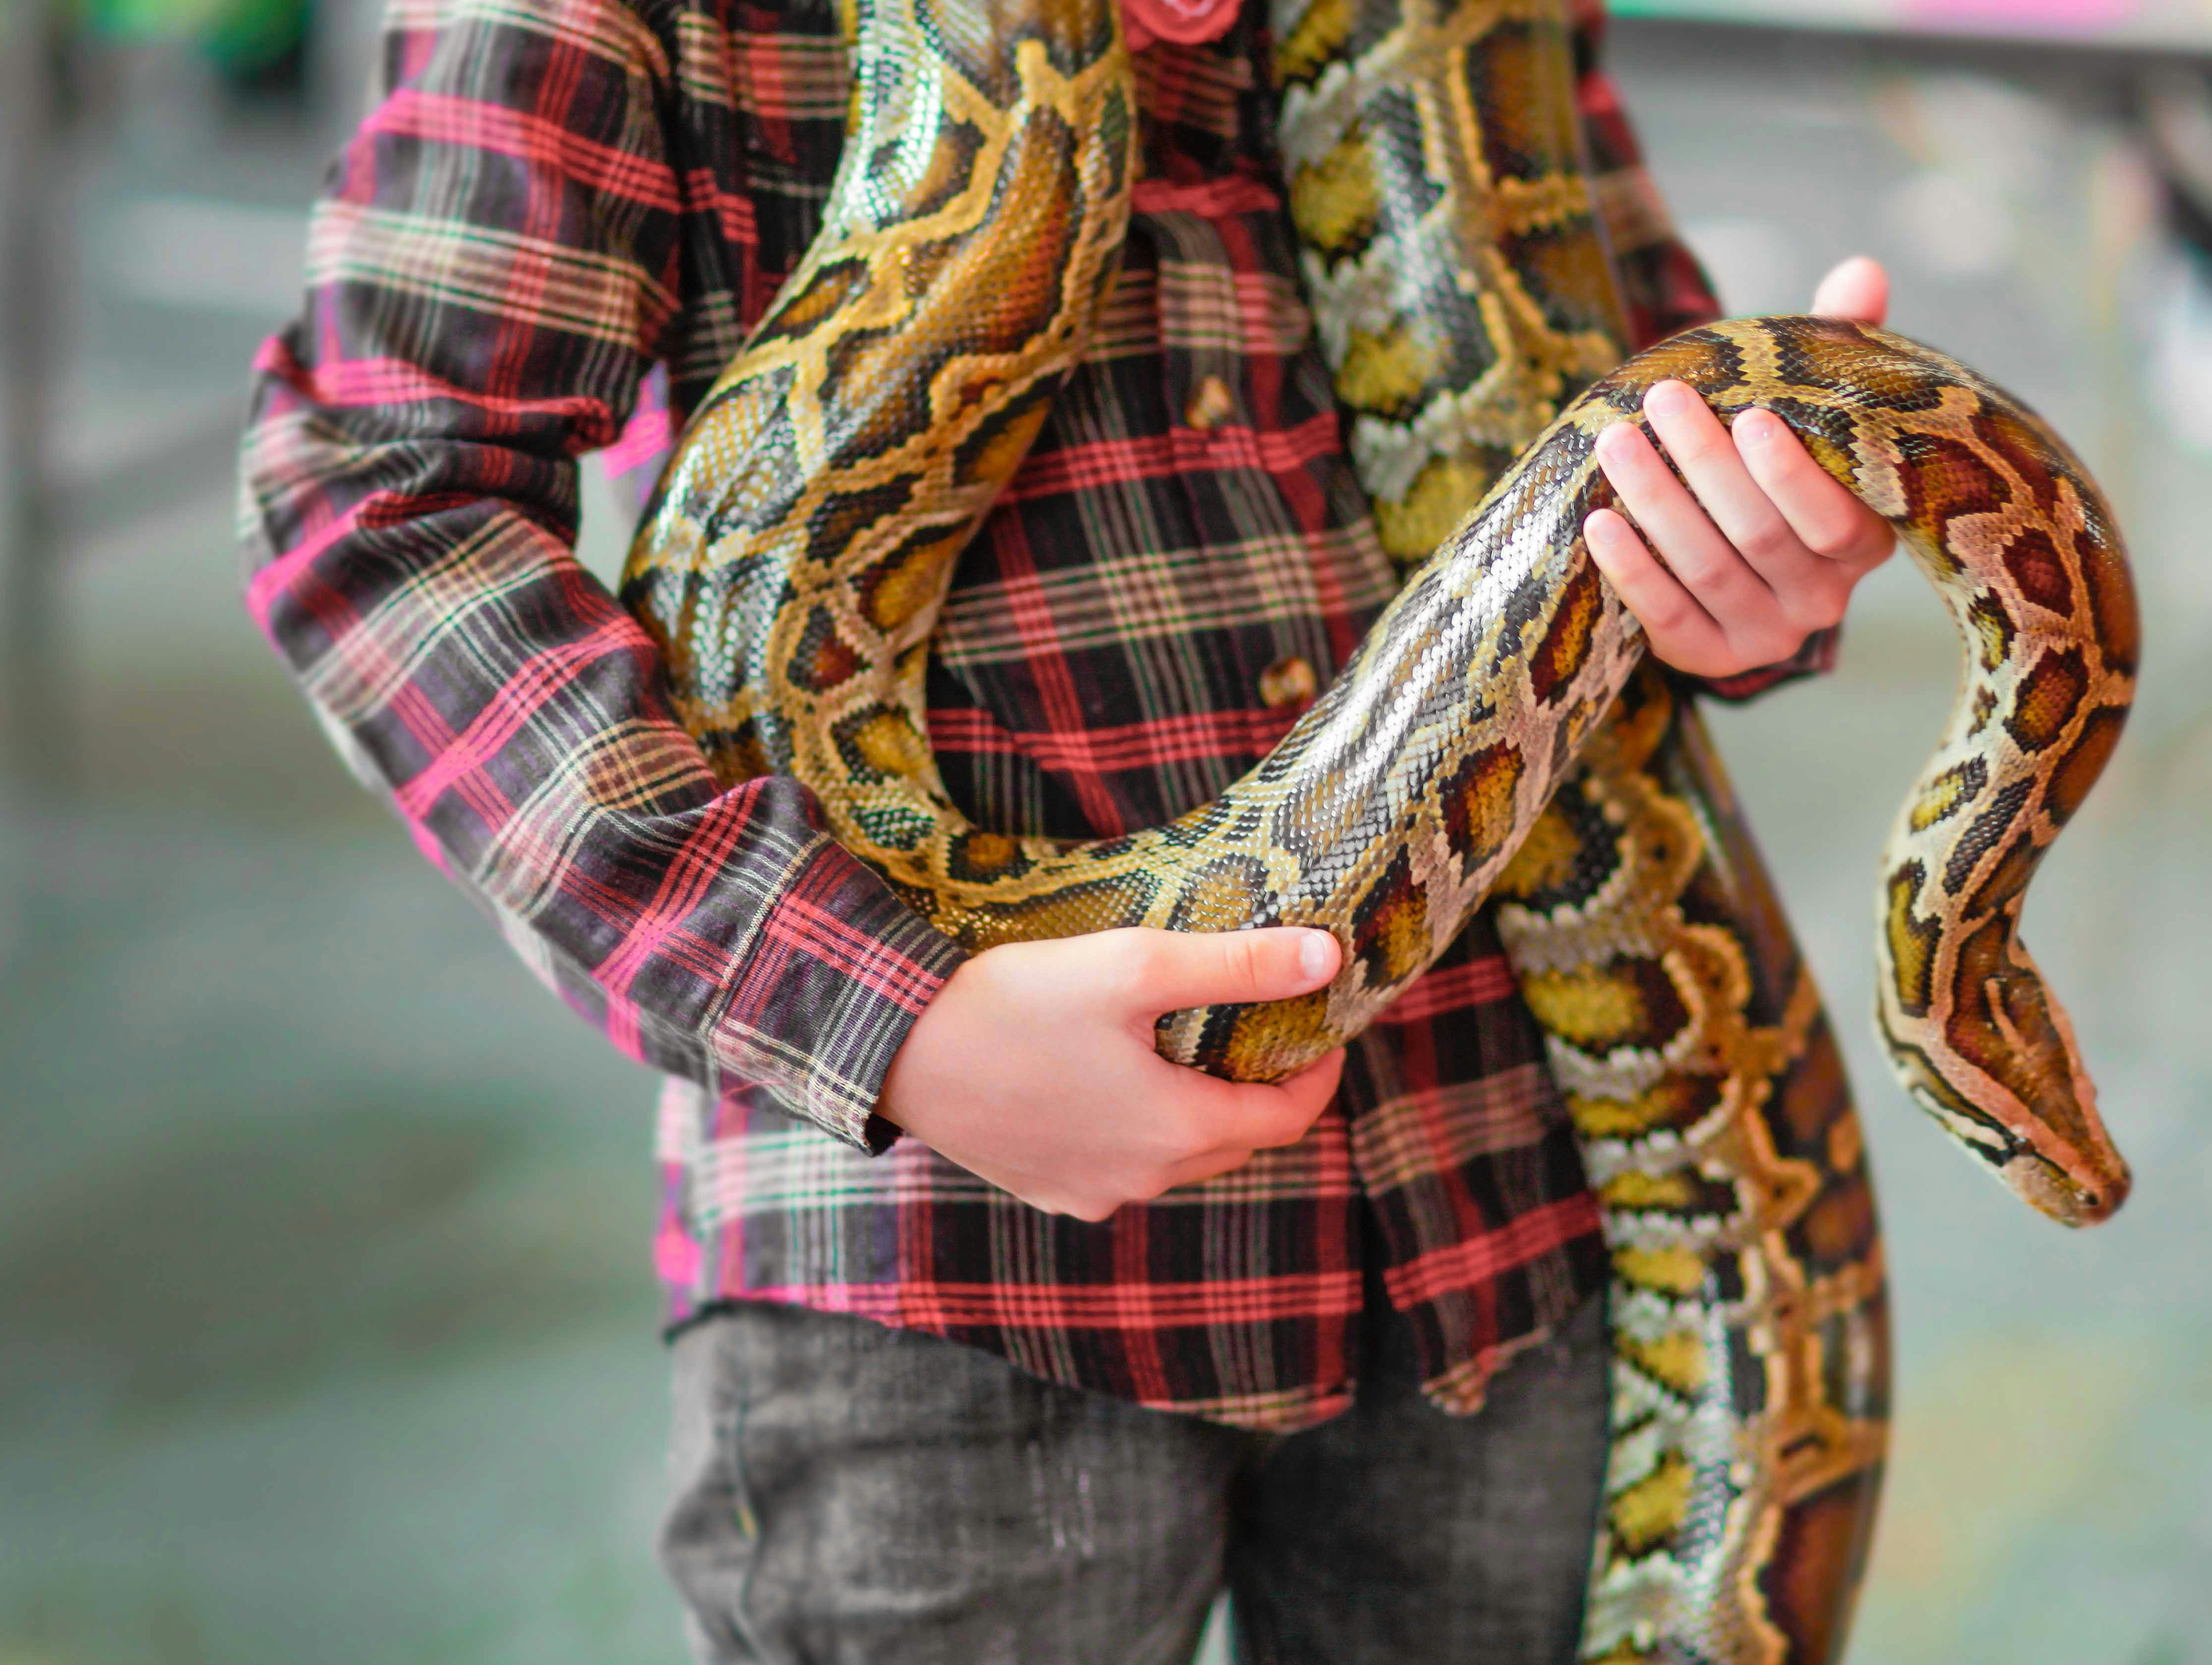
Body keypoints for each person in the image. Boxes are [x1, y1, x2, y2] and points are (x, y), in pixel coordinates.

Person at [238, 0, 1895, 1658]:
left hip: (1498, 1191)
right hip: (946, 1275)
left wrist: (1751, 564)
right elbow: (382, 492)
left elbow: (1615, 386)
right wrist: (893, 1021)